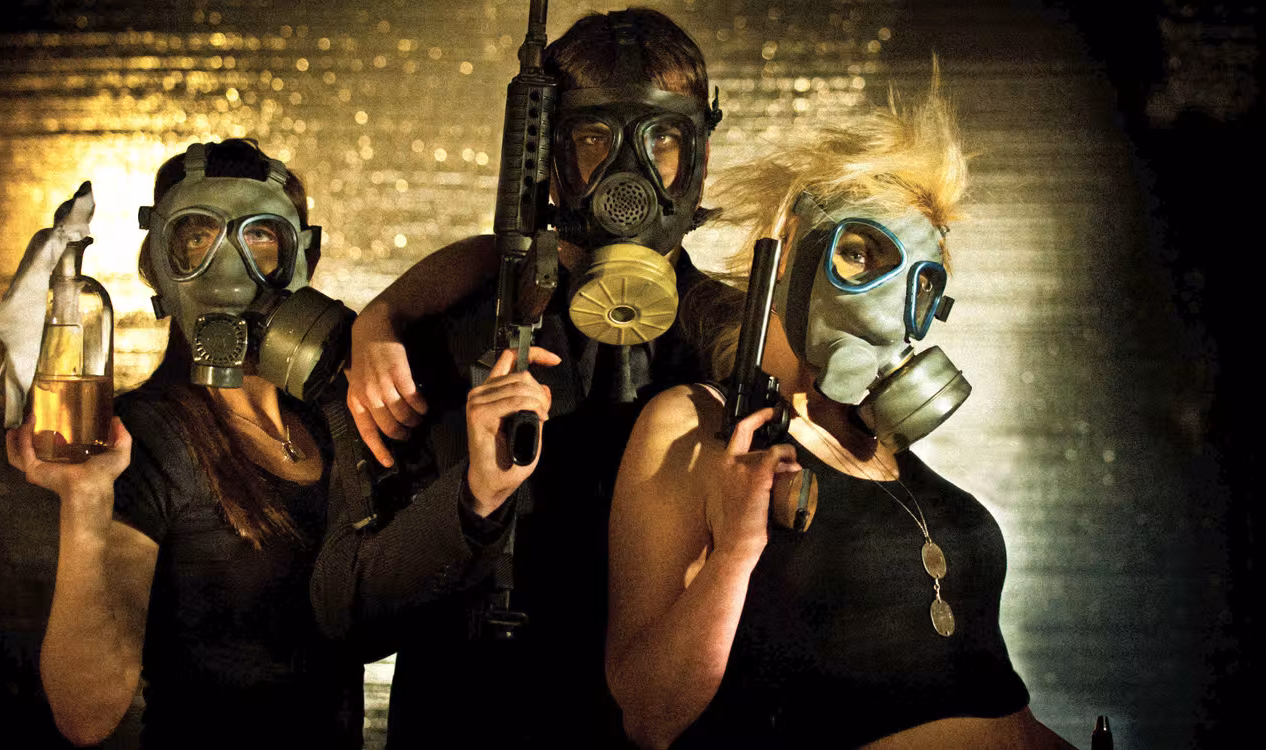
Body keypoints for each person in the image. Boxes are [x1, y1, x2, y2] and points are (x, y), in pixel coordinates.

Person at [604, 78, 1077, 748]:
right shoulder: (698, 429)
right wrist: (736, 553)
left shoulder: (884, 446)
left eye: (918, 282)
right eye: (858, 254)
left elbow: (989, 698)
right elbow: (650, 717)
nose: (886, 309)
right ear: (790, 247)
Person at [311, 8, 729, 748]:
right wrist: (472, 501)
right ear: (548, 154)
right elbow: (346, 613)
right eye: (593, 140)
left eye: (662, 140)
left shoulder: (739, 349)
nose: (627, 178)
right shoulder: (439, 339)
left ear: (698, 154)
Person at [7, 139, 362, 748]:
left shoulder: (334, 421)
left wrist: (384, 325)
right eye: (197, 237)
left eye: (260, 236)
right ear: (157, 267)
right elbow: (87, 714)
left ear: (304, 256)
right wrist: (85, 504)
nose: (229, 269)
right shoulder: (142, 437)